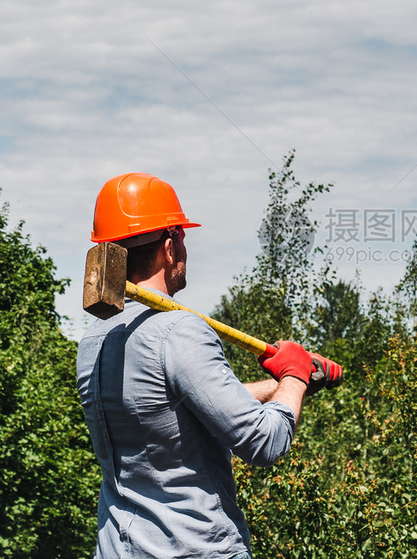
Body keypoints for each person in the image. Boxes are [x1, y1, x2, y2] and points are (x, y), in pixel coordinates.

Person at [77, 172, 342, 558]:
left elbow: (173, 409)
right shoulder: (180, 330)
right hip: (194, 548)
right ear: (172, 244)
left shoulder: (92, 343)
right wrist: (296, 375)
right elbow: (266, 444)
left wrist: (281, 387)